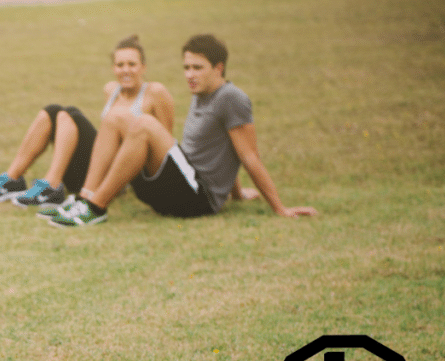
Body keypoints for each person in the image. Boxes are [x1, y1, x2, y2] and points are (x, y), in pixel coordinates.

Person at [48, 34, 317, 227]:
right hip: (175, 190)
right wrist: (236, 193)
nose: (189, 74)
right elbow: (222, 150)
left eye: (197, 68)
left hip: (197, 198)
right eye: (186, 68)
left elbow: (248, 156)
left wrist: (279, 208)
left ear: (218, 68)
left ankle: (96, 209)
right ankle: (86, 198)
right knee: (115, 117)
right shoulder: (202, 94)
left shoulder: (231, 98)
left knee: (144, 124)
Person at [0, 35, 174, 212]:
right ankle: (12, 179)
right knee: (53, 111)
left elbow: (164, 144)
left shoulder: (155, 93)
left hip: (122, 176)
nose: (126, 70)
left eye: (132, 64)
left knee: (70, 115)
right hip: (97, 170)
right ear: (113, 68)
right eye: (120, 65)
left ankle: (52, 186)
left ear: (143, 68)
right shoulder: (111, 90)